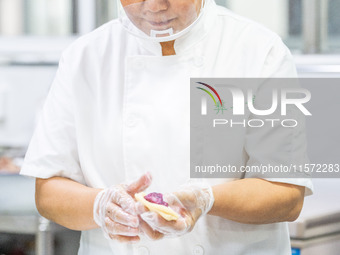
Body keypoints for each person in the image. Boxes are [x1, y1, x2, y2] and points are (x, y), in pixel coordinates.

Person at [20, 0, 313, 254]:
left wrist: (206, 200)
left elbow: (288, 195)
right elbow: (47, 191)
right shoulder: (84, 57)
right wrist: (101, 206)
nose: (155, 7)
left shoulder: (262, 50)